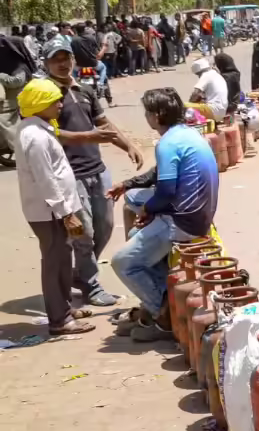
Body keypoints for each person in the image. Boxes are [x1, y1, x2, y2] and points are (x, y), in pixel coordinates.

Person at [109, 88, 219, 341]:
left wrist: (149, 210)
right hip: (196, 212)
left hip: (183, 221)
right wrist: (128, 185)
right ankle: (161, 295)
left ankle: (161, 315)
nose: (146, 117)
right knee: (133, 205)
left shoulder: (167, 143)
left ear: (157, 115)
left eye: (147, 112)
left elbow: (167, 190)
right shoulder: (187, 134)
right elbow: (159, 176)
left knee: (122, 262)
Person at [45, 37, 144, 307]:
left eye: (66, 58)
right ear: (46, 64)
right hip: (69, 174)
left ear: (73, 60)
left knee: (106, 226)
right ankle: (91, 284)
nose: (63, 64)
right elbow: (50, 133)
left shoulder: (86, 90)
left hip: (98, 171)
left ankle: (80, 273)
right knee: (84, 231)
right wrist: (89, 136)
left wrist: (128, 145)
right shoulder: (46, 96)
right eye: (56, 59)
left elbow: (104, 124)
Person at [15, 79, 94, 335]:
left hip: (55, 210)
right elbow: (46, 179)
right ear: (40, 104)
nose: (60, 104)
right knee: (54, 262)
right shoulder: (35, 137)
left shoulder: (41, 128)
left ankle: (64, 308)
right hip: (49, 212)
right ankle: (59, 321)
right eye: (54, 101)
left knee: (62, 260)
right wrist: (67, 213)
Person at [0, 32, 37, 168]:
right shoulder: (6, 64)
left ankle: (21, 149)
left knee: (4, 121)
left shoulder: (19, 66)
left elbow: (17, 81)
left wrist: (1, 76)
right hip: (8, 99)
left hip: (14, 101)